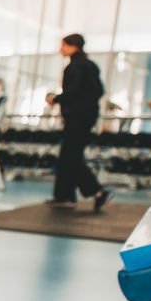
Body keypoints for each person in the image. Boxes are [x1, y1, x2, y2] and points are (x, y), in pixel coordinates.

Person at [44, 33, 111, 211]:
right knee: (70, 156)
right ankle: (67, 196)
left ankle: (95, 191)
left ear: (72, 46)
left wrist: (55, 99)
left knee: (70, 156)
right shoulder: (90, 65)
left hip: (77, 118)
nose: (61, 49)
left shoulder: (75, 66)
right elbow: (99, 91)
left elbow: (73, 91)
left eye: (63, 45)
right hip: (86, 117)